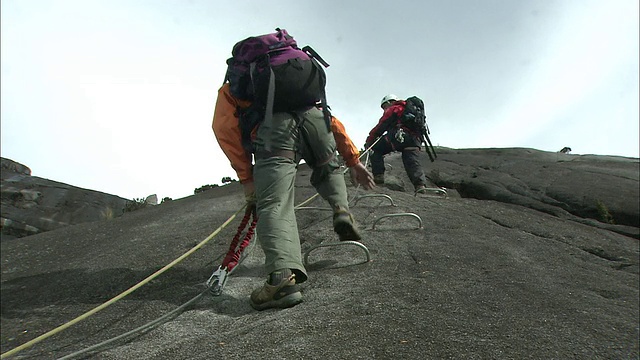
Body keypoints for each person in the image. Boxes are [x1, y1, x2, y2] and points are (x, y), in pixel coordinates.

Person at [212, 82, 374, 310]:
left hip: (274, 129)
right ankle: (341, 210)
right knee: (328, 167)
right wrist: (353, 160)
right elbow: (330, 119)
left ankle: (282, 279)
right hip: (316, 121)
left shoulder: (239, 80)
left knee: (274, 204)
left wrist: (246, 178)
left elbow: (225, 129)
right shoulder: (296, 69)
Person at [364, 94, 429, 193]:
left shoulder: (395, 108)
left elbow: (382, 125)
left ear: (389, 102)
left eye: (384, 106)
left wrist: (370, 139)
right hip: (415, 140)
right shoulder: (411, 110)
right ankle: (420, 186)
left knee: (375, 149)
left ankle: (378, 176)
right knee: (412, 162)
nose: (384, 109)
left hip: (399, 137)